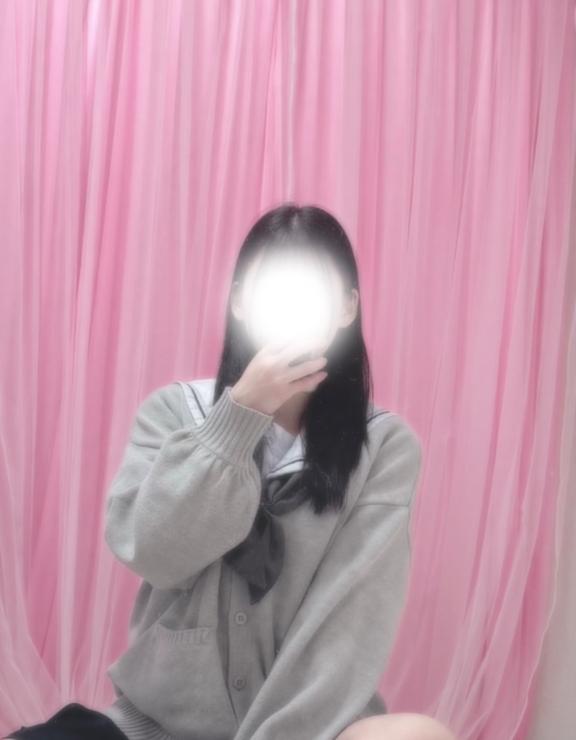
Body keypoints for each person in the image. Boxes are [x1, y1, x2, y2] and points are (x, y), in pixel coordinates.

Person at [5, 204, 457, 740]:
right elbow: (151, 551)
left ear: (346, 308)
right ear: (241, 301)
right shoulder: (175, 413)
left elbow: (346, 628)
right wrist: (240, 415)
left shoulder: (383, 448)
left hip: (313, 730)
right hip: (159, 726)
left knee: (421, 734)